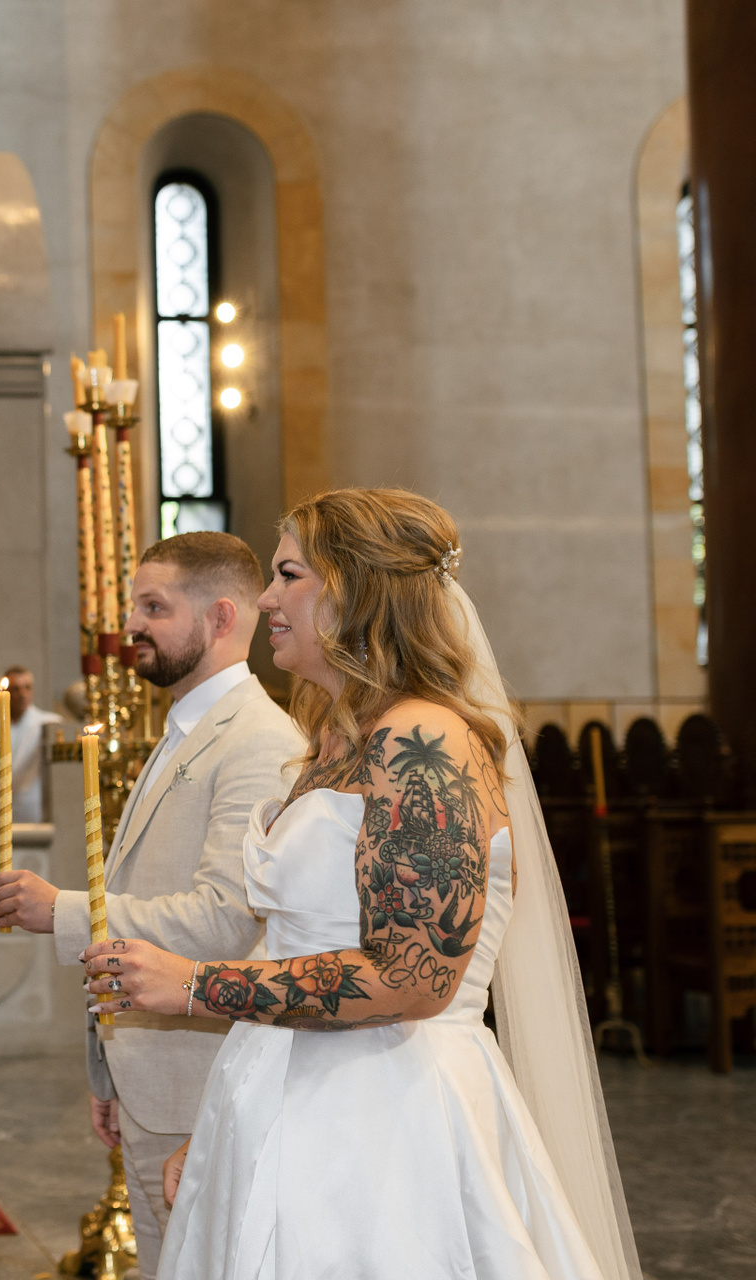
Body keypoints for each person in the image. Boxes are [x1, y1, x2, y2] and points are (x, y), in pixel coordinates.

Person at [85, 490, 638, 1280]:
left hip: (387, 1119)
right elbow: (300, 937)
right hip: (284, 1089)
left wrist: (198, 984)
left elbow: (415, 977)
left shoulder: (424, 744)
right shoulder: (339, 739)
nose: (266, 600)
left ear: (357, 589)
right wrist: (225, 1126)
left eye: (289, 575)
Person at [0, 532, 300, 1277]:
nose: (130, 625)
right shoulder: (186, 728)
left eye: (154, 607)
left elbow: (225, 917)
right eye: (134, 605)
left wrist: (61, 911)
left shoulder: (256, 741)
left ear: (220, 618)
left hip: (204, 1081)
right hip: (154, 1078)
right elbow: (144, 892)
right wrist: (111, 1071)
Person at [0, 665, 60, 824]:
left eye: (27, 688)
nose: (23, 694)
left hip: (32, 814)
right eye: (16, 689)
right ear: (5, 691)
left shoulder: (49, 724)